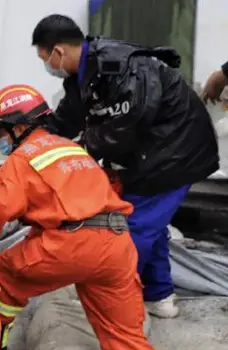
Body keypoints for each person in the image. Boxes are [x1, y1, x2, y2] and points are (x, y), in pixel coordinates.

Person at [0, 83, 188, 350]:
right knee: (127, 339)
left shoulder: (23, 159)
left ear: (19, 127)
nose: (2, 139)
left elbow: (2, 212)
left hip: (69, 245)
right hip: (116, 243)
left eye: (2, 131)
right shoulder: (74, 150)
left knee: (3, 272)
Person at [32, 14, 219, 318]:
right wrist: (36, 140)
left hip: (175, 152)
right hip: (149, 154)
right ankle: (160, 296)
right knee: (150, 226)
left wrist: (82, 148)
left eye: (45, 58)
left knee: (134, 229)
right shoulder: (83, 73)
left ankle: (117, 303)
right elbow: (66, 118)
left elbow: (130, 122)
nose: (47, 65)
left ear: (59, 51)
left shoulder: (122, 68)